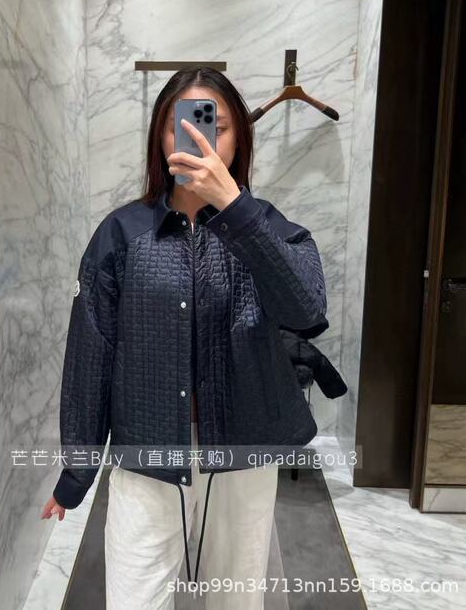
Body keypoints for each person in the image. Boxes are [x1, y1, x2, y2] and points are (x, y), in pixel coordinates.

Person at [41, 66, 329, 609]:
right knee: (135, 597)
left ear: (239, 137)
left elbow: (307, 311)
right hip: (146, 453)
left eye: (216, 125)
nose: (200, 138)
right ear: (161, 134)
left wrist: (236, 210)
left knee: (235, 599)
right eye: (184, 124)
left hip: (243, 449)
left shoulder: (269, 226)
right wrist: (77, 472)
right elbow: (90, 357)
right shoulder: (121, 234)